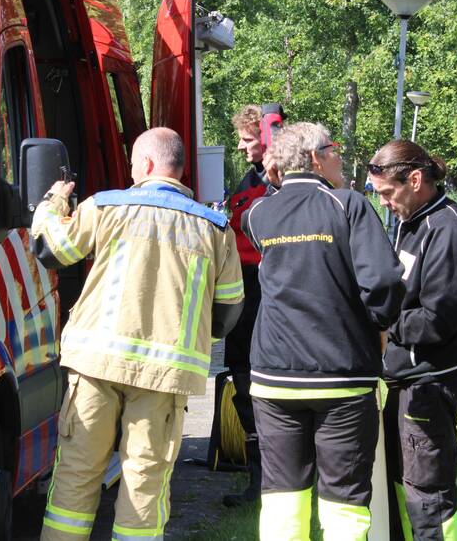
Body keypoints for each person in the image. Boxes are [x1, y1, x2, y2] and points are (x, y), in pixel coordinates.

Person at [31, 127, 245, 541]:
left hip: (96, 366)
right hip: (164, 377)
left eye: (132, 164)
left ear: (146, 164)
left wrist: (54, 200)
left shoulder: (106, 207)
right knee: (144, 485)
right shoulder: (215, 228)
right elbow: (228, 309)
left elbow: (50, 249)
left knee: (76, 474)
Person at [243, 122, 405, 540]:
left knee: (282, 496)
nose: (340, 158)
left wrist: (273, 175)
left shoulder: (258, 215)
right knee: (345, 500)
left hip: (274, 378)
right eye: (334, 150)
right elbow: (385, 281)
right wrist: (381, 326)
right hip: (342, 375)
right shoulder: (348, 205)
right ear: (316, 158)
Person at [366, 140, 457, 541]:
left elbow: (437, 320)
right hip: (405, 382)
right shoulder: (412, 221)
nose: (384, 203)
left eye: (387, 193)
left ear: (415, 180)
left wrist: (382, 322)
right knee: (401, 485)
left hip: (430, 385)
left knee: (428, 498)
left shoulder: (447, 230)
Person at [223, 104, 274, 507]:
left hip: (262, 290)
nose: (241, 147)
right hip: (242, 289)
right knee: (243, 381)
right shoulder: (251, 177)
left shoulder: (278, 184)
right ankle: (256, 481)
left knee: (259, 384)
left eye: (248, 140)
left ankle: (269, 480)